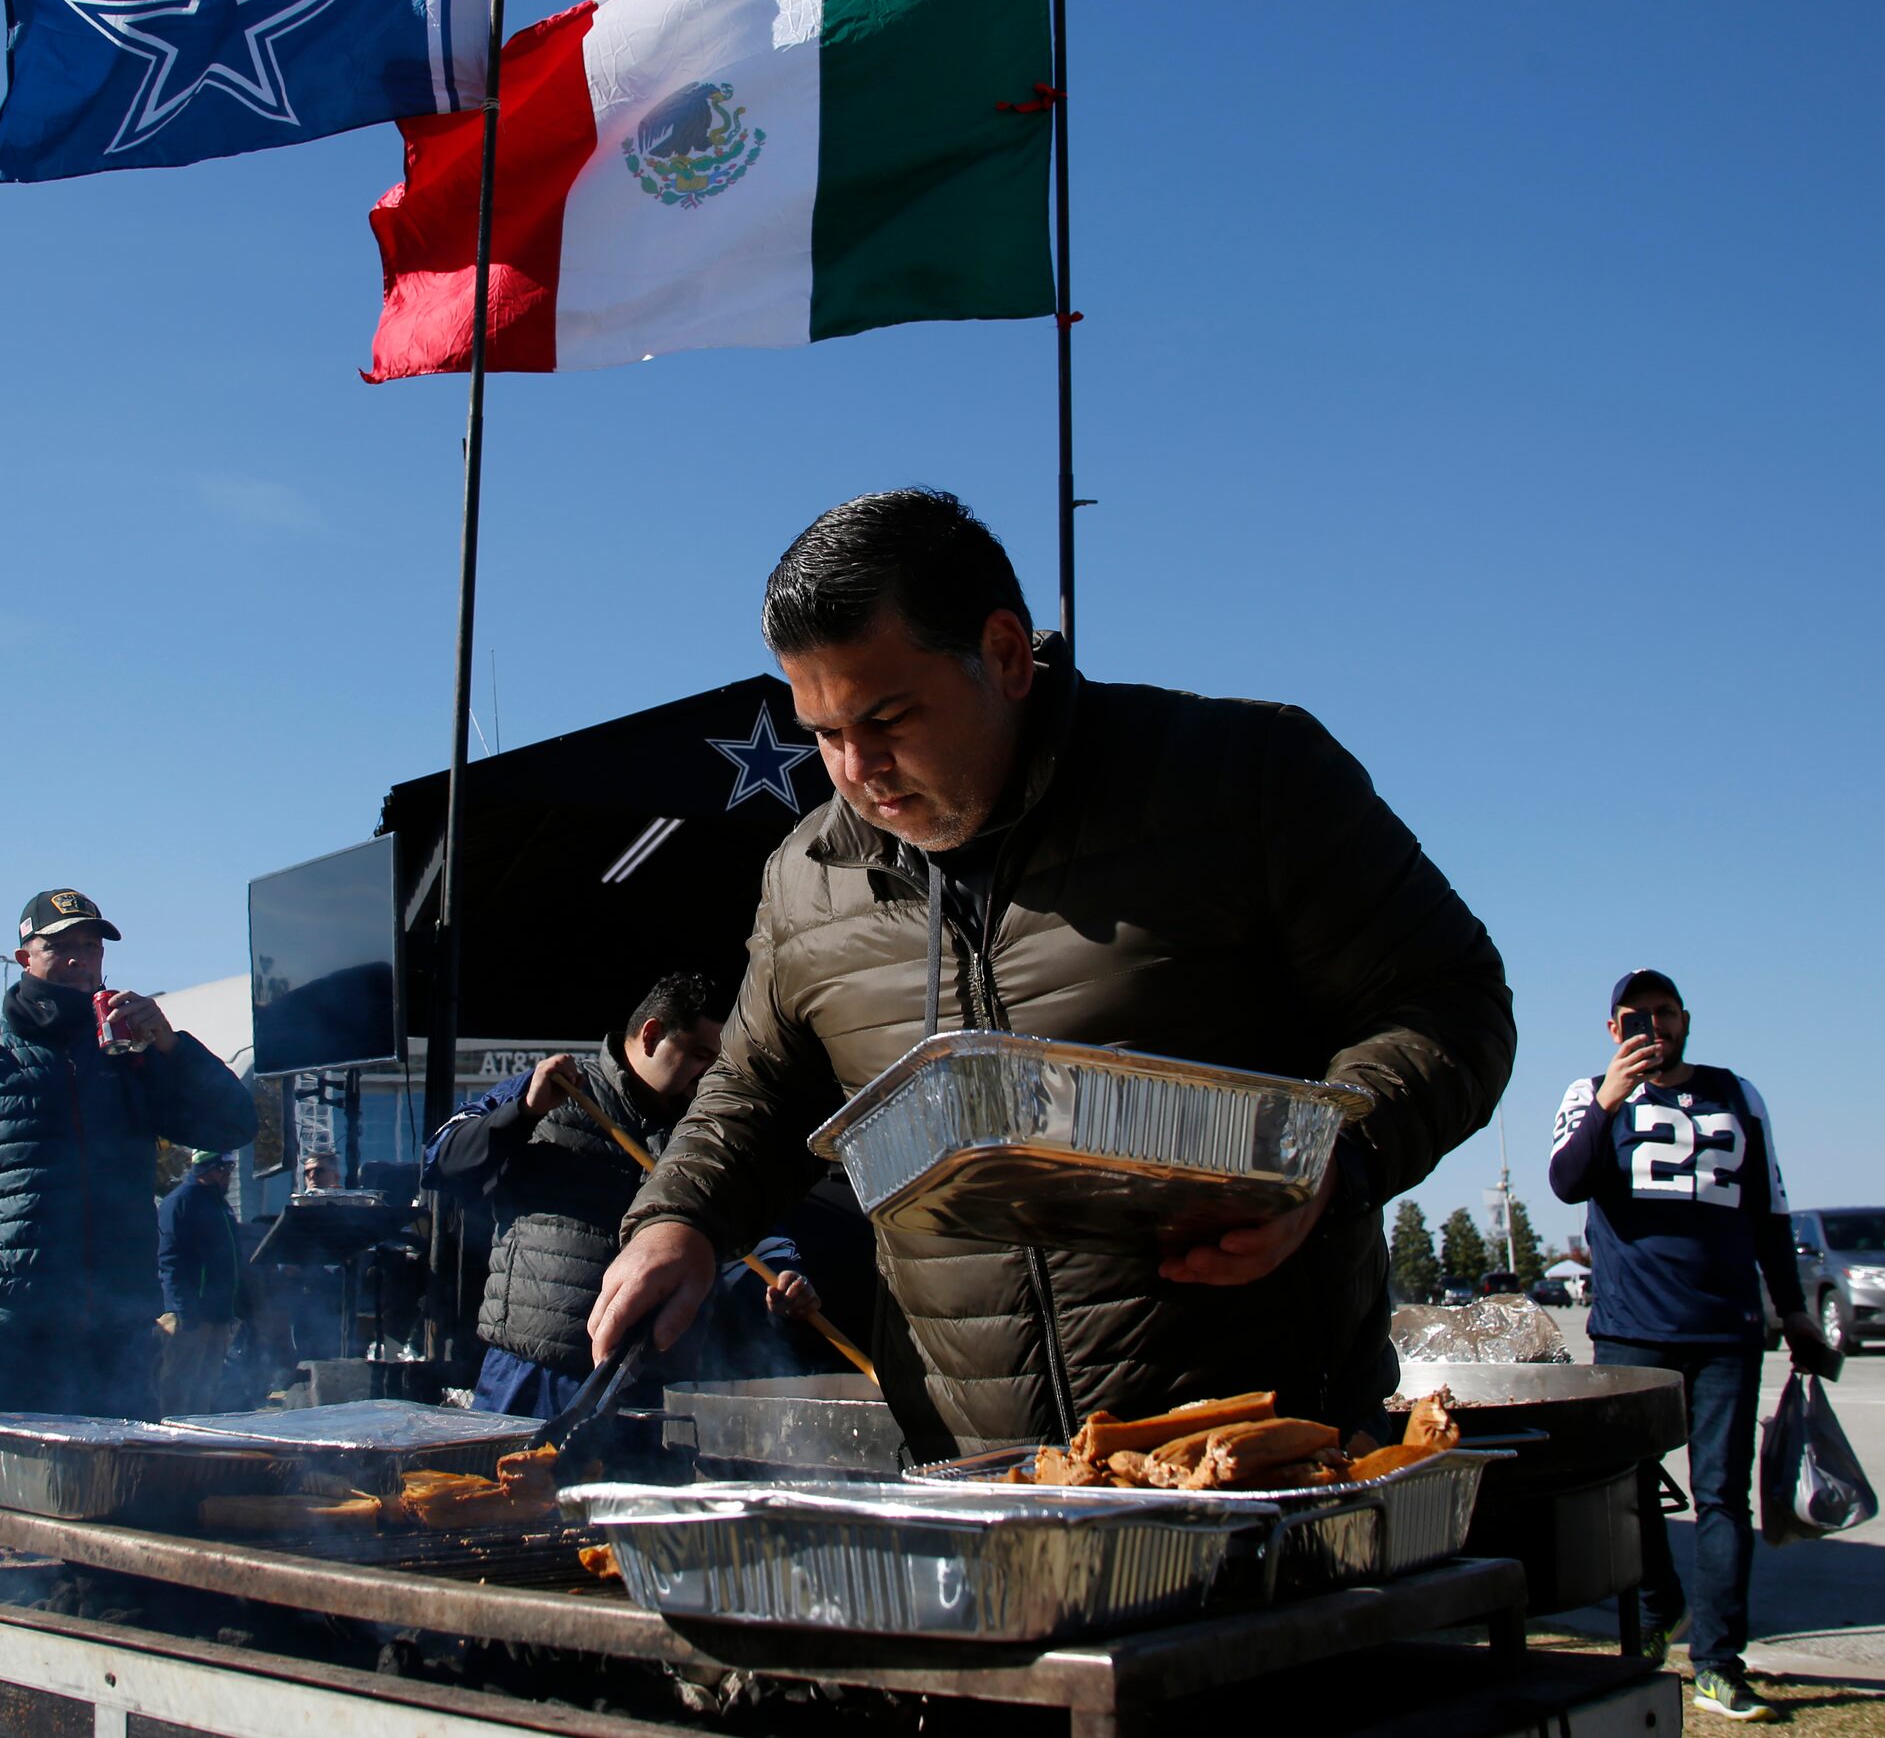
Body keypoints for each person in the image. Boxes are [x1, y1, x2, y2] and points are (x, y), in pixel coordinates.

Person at [589, 491, 1515, 1457]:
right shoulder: (804, 878)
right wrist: (681, 1218)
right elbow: (759, 1092)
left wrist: (1334, 1161)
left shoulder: (1247, 781)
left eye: (888, 716)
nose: (856, 768)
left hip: (1255, 1446)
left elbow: (1448, 1000)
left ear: (1002, 653)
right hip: (974, 1471)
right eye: (822, 731)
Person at [0, 888, 257, 1419]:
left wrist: (170, 1044)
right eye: (60, 945)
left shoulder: (134, 1056)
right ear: (25, 958)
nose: (78, 959)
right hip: (10, 1337)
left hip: (121, 1333)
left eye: (91, 946)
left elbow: (233, 1124)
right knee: (22, 1497)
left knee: (126, 1492)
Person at [1548, 968, 1825, 1721]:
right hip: (1632, 1327)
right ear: (1613, 1029)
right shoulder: (1587, 1094)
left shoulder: (1737, 1094)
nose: (1653, 1026)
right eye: (1635, 1015)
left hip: (1726, 1328)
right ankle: (1656, 1606)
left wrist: (1793, 1313)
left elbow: (1769, 1211)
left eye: (1664, 1012)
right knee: (1629, 1494)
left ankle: (1717, 1663)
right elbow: (1567, 1183)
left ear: (1685, 1019)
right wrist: (1608, 1098)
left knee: (1719, 1498)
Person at [429, 973, 820, 1419]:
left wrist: (784, 1282)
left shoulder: (711, 1135)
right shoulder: (557, 1089)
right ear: (652, 1035)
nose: (708, 1077)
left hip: (648, 1388)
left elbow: (760, 1238)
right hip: (530, 1377)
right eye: (700, 1056)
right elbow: (440, 1161)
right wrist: (524, 1112)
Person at [157, 1151, 242, 1417]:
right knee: (178, 1385)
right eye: (223, 1169)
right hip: (191, 1313)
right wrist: (181, 1310)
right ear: (207, 1168)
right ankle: (169, 1443)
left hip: (218, 1313)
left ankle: (199, 1440)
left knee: (207, 1387)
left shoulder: (220, 1205)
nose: (227, 1175)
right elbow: (168, 1260)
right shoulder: (181, 1202)